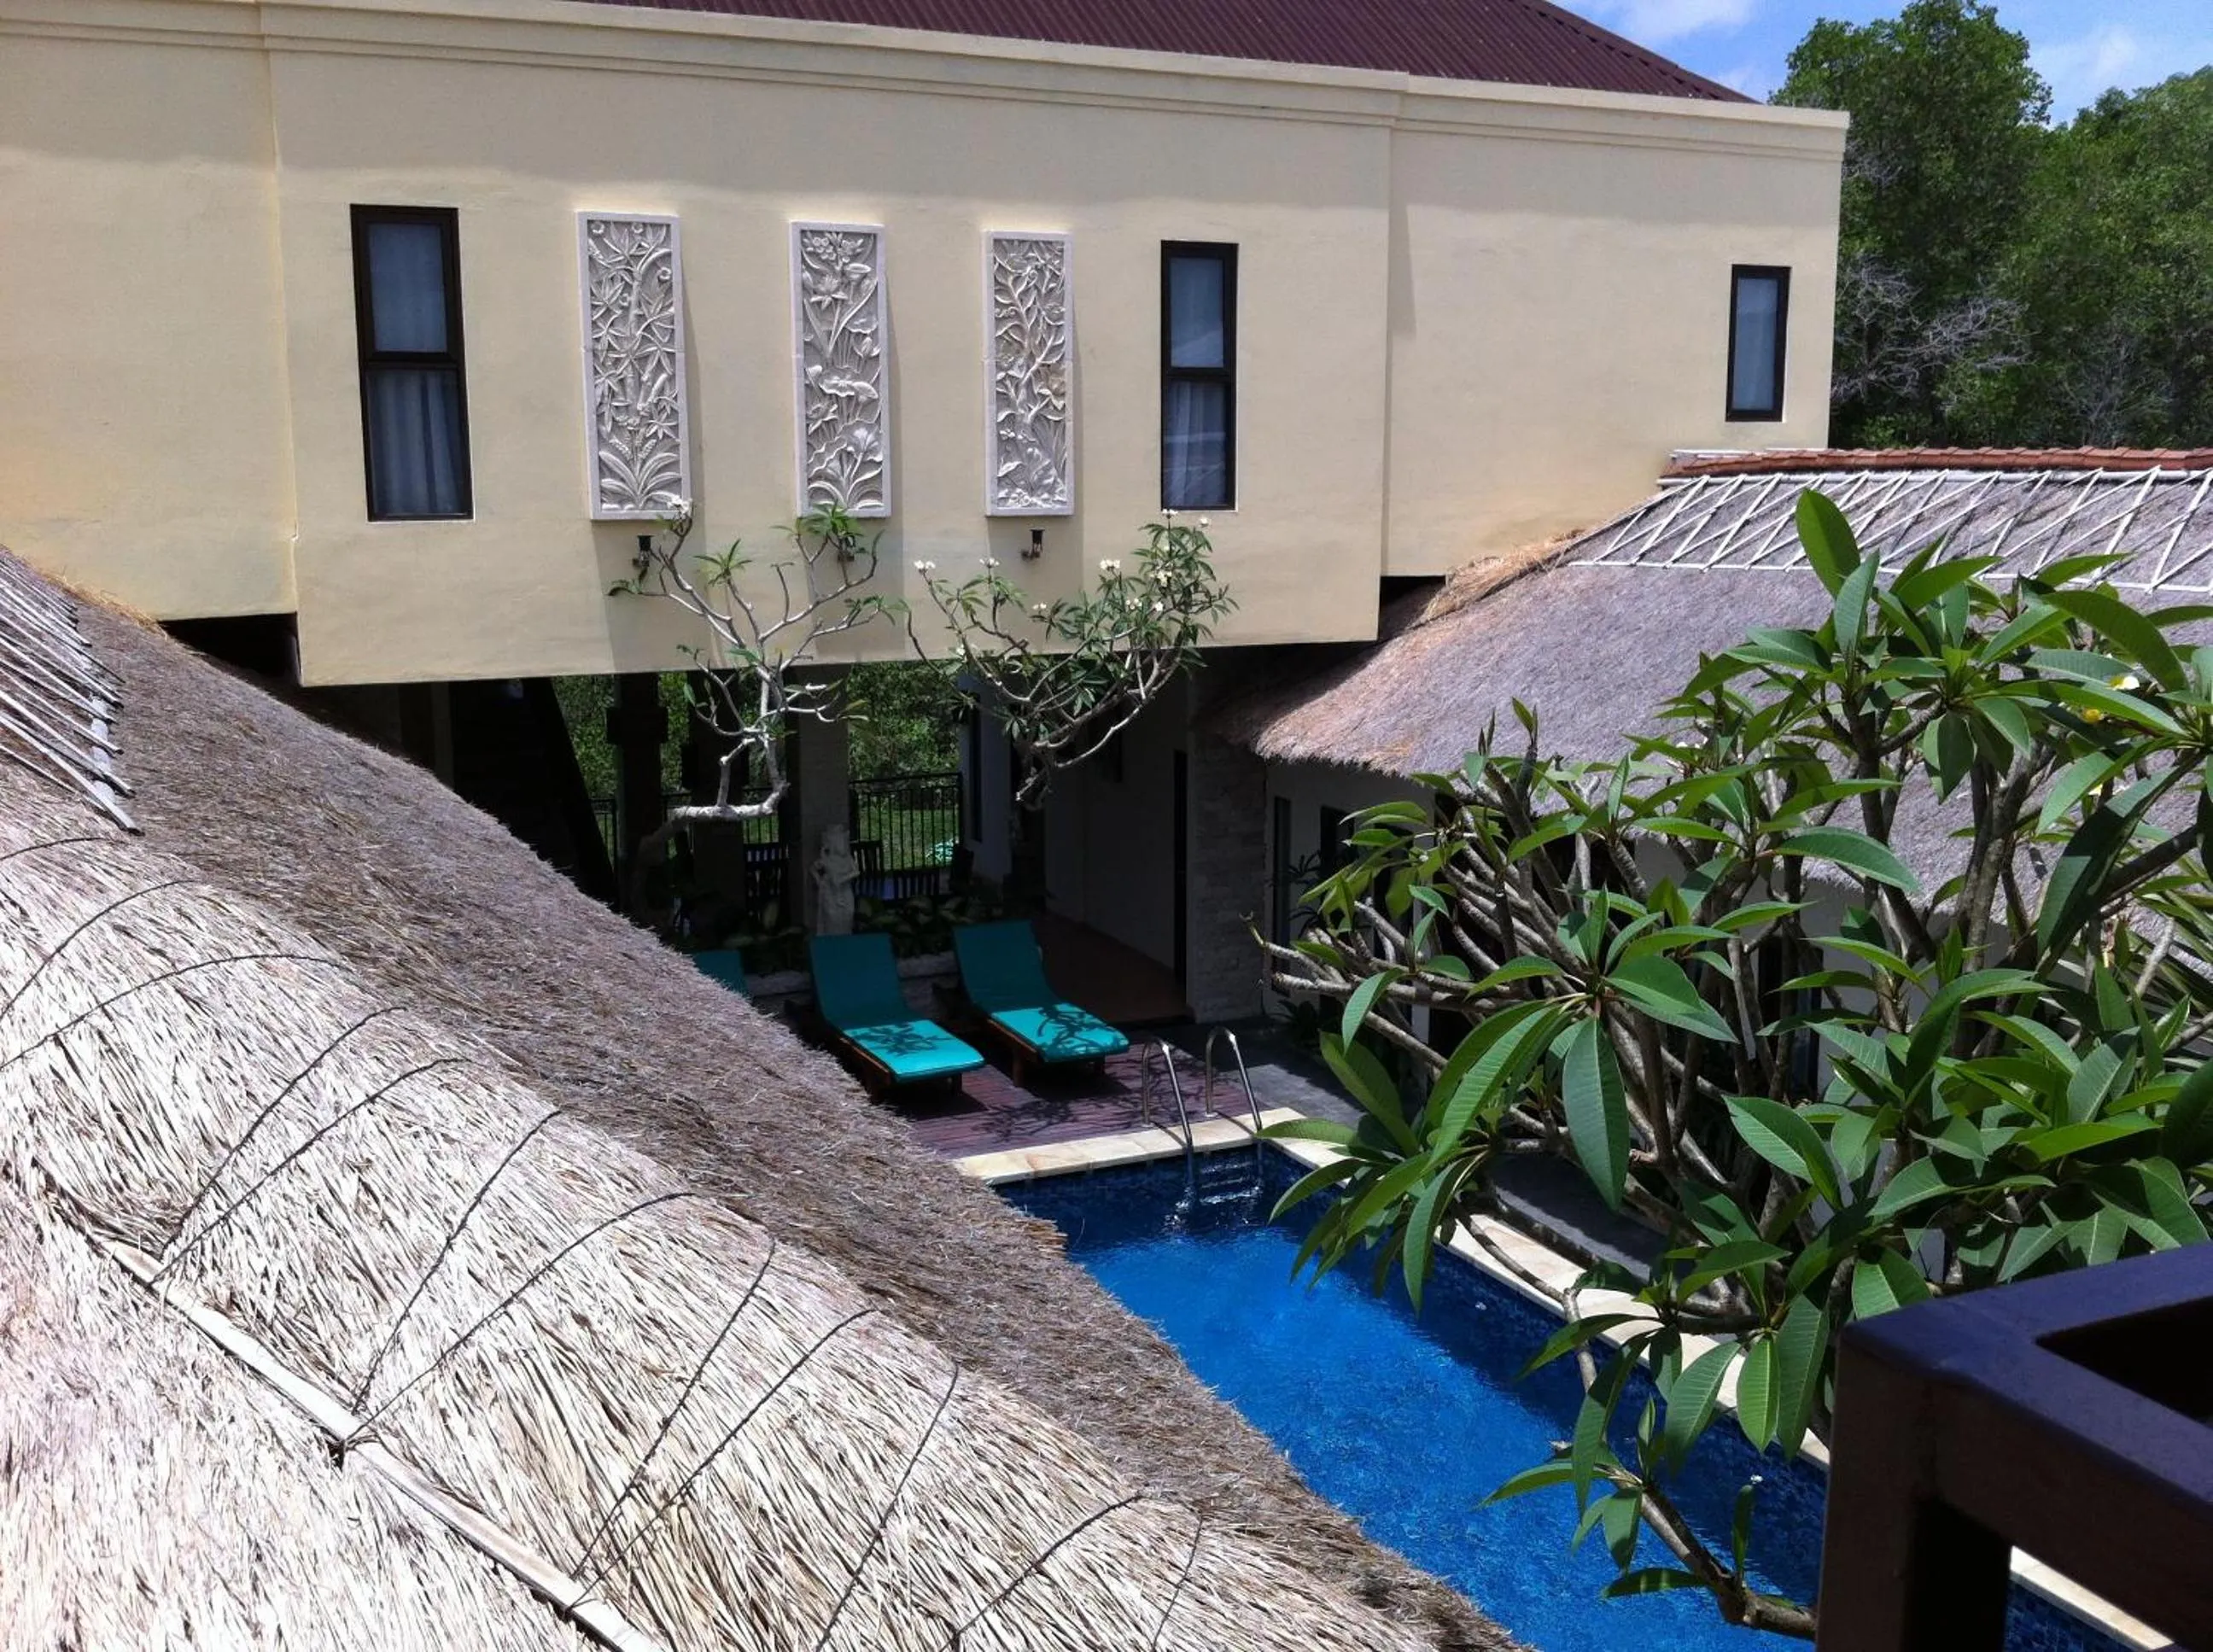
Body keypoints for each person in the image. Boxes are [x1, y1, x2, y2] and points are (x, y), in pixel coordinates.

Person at [811, 822, 858, 935]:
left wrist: (843, 879)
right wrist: (819, 881)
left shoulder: (848, 858)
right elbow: (813, 869)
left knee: (848, 914)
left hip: (844, 890)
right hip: (830, 892)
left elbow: (856, 872)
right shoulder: (826, 859)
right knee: (832, 917)